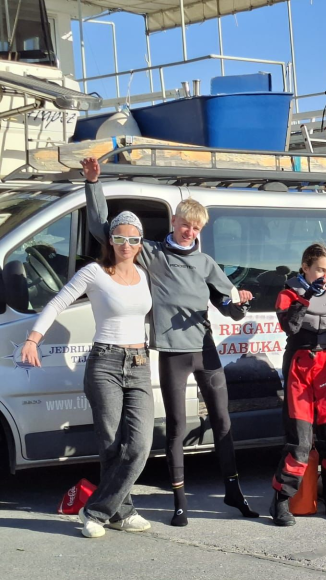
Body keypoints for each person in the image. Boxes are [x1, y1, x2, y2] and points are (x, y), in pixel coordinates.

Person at [82, 157, 257, 526]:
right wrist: (93, 185)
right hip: (173, 353)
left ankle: (233, 491)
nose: (189, 232)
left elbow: (229, 309)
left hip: (204, 350)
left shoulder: (207, 263)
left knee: (223, 422)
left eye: (195, 228)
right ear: (174, 222)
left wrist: (239, 303)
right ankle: (180, 502)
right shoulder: (152, 254)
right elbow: (103, 231)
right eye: (184, 225)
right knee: (176, 427)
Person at [21, 211, 154, 538]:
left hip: (139, 363)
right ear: (110, 240)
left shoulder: (143, 274)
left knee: (139, 445)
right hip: (105, 362)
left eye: (133, 239)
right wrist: (32, 340)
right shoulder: (95, 272)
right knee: (111, 445)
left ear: (140, 243)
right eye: (120, 238)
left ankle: (95, 509)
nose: (127, 244)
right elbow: (56, 304)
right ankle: (122, 511)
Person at [268, 243, 326, 526]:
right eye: (320, 269)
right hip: (299, 365)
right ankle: (281, 501)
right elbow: (291, 327)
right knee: (301, 441)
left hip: (325, 366)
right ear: (305, 267)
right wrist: (305, 297)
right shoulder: (288, 293)